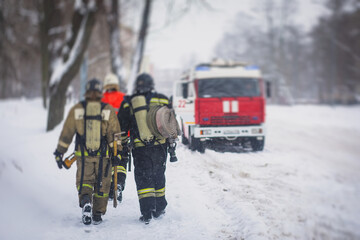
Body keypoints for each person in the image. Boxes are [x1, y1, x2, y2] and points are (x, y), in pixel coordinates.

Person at [53, 78, 123, 225]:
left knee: (84, 182)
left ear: (87, 93)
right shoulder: (107, 109)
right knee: (102, 185)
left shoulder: (78, 109)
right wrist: (117, 154)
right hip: (103, 156)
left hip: (83, 157)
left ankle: (86, 202)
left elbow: (67, 133)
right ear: (99, 93)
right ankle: (97, 214)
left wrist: (60, 152)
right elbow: (114, 134)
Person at [118, 73, 169, 224]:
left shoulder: (129, 102)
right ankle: (159, 208)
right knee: (158, 174)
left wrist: (122, 145)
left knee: (143, 178)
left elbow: (122, 126)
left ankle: (147, 213)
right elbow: (170, 122)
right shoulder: (162, 99)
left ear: (137, 86)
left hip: (140, 148)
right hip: (160, 147)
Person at [101, 73, 127, 203]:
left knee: (108, 162)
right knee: (121, 162)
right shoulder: (124, 98)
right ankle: (119, 185)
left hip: (105, 137)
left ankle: (109, 188)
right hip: (122, 136)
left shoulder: (101, 99)